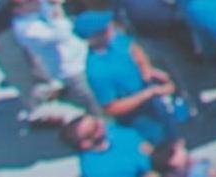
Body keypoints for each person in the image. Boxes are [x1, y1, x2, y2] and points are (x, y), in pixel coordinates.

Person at [74, 10, 185, 145]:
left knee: (174, 137)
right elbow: (111, 107)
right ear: (94, 37)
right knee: (160, 148)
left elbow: (134, 48)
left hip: (154, 106)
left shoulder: (116, 40)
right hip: (137, 120)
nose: (111, 28)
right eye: (106, 28)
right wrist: (148, 94)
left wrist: (146, 69)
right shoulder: (97, 71)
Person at [60, 114, 157, 177]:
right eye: (96, 127)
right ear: (85, 144)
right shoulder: (98, 171)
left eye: (97, 121)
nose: (102, 124)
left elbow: (140, 142)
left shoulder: (113, 131)